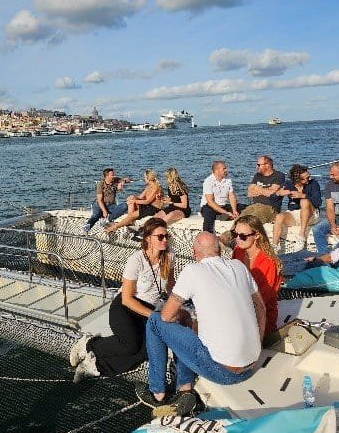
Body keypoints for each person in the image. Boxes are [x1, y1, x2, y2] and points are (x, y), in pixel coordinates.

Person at [137, 232, 265, 408]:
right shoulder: (239, 266)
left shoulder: (193, 270)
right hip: (252, 364)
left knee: (154, 321)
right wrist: (258, 342)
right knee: (187, 329)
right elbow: (261, 308)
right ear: (219, 251)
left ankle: (156, 392)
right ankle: (184, 389)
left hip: (223, 372)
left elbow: (166, 316)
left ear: (194, 253)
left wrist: (180, 314)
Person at [69, 218, 175, 382]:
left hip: (148, 310)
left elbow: (170, 284)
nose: (165, 240)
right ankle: (89, 344)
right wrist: (153, 316)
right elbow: (126, 299)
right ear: (148, 238)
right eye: (160, 237)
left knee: (145, 352)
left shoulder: (169, 256)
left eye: (166, 236)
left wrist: (177, 305)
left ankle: (95, 367)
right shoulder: (136, 260)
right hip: (126, 307)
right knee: (130, 344)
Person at [231, 214, 282, 338]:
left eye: (243, 236)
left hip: (261, 317)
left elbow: (261, 301)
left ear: (256, 235)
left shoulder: (268, 262)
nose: (238, 239)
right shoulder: (238, 251)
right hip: (240, 309)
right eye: (235, 234)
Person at [272, 164, 322, 252]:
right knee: (279, 216)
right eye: (305, 178)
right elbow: (273, 199)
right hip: (295, 215)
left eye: (308, 176)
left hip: (311, 214)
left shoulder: (313, 183)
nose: (308, 179)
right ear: (297, 180)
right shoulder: (288, 184)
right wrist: (279, 193)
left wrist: (303, 195)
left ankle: (301, 236)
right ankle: (275, 246)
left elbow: (318, 203)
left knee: (304, 201)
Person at [105, 169, 163, 233]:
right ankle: (130, 220)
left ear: (148, 178)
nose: (144, 179)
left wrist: (134, 201)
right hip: (148, 206)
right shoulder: (148, 186)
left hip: (154, 208)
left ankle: (115, 226)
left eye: (145, 178)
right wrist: (132, 198)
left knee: (131, 214)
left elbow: (147, 201)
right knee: (132, 197)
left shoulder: (156, 188)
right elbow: (140, 197)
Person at [312, 161, 339, 253]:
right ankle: (324, 256)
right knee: (317, 229)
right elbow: (330, 208)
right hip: (338, 217)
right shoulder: (330, 185)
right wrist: (333, 226)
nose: (330, 177)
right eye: (330, 174)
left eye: (333, 175)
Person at [83, 168, 130, 232]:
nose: (114, 176)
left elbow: (127, 180)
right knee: (96, 215)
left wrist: (122, 182)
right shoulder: (101, 184)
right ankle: (86, 228)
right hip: (99, 204)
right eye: (112, 175)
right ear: (107, 176)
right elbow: (99, 200)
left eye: (114, 174)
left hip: (111, 205)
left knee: (125, 206)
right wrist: (104, 211)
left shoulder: (115, 180)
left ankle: (107, 220)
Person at [242, 155, 285, 224]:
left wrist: (257, 188)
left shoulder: (279, 176)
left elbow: (272, 194)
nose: (256, 167)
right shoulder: (257, 175)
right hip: (254, 206)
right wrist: (266, 190)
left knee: (250, 222)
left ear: (267, 165)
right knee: (239, 220)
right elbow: (249, 193)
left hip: (269, 208)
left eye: (259, 165)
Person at [200, 161, 241, 233]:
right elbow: (210, 202)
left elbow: (231, 196)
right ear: (216, 170)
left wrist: (234, 210)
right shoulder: (208, 181)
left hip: (223, 205)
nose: (226, 170)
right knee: (209, 214)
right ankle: (207, 234)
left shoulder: (227, 181)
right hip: (210, 206)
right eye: (224, 169)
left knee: (243, 207)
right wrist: (226, 213)